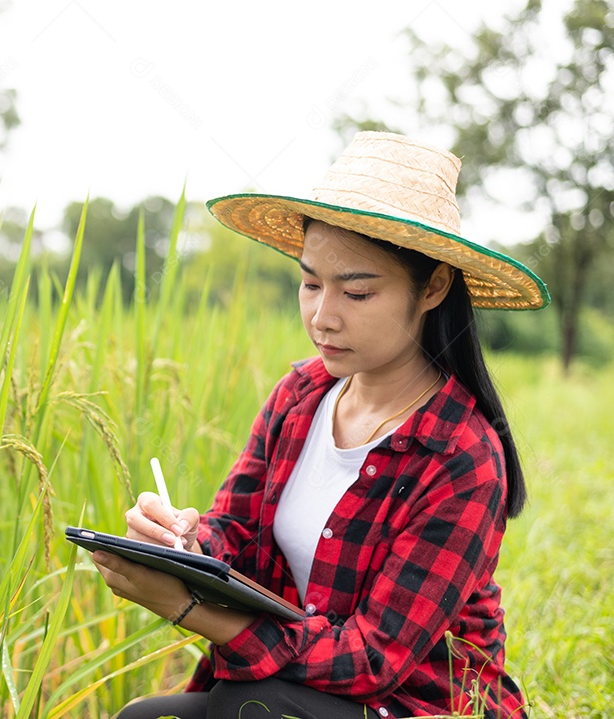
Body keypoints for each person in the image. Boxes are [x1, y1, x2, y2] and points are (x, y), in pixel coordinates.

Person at [91, 132, 547, 719]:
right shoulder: (300, 397)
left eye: (356, 292)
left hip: (416, 705)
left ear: (432, 287)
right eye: (310, 283)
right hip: (295, 693)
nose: (322, 316)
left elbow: (373, 660)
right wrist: (183, 542)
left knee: (248, 705)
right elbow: (238, 532)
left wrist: (189, 610)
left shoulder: (461, 456)